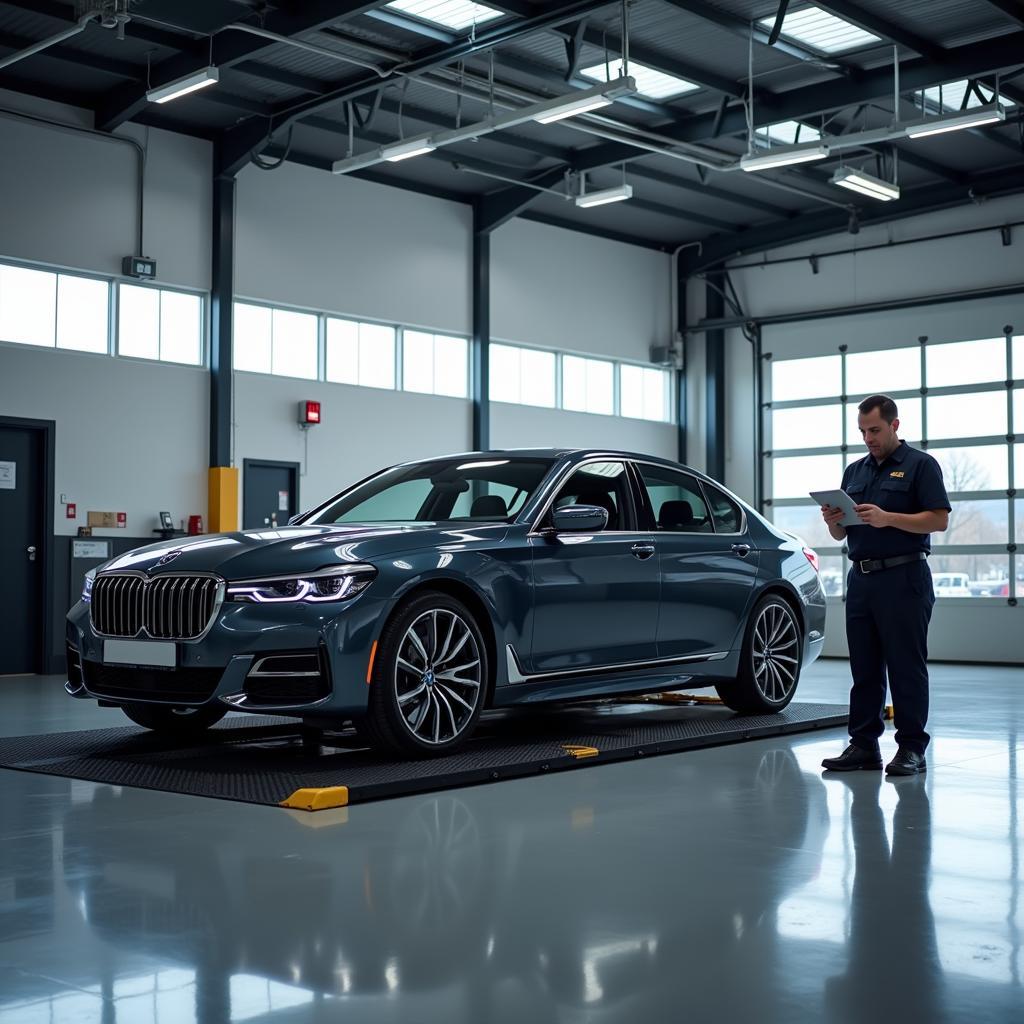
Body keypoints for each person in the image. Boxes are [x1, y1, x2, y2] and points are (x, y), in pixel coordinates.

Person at [820, 395, 950, 776]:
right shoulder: (855, 471)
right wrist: (833, 519)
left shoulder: (921, 466)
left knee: (905, 666)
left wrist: (887, 518)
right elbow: (839, 533)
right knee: (864, 668)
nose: (868, 439)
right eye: (862, 431)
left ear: (895, 425)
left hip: (904, 577)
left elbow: (937, 520)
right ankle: (863, 745)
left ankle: (911, 748)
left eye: (874, 430)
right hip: (861, 578)